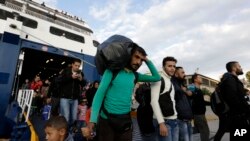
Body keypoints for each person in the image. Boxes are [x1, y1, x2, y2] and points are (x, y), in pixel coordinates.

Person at [85, 45, 161, 141]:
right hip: (107, 120)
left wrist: (147, 61)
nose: (139, 62)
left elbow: (156, 77)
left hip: (125, 120)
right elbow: (99, 95)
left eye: (142, 60)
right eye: (136, 57)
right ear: (128, 55)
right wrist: (93, 120)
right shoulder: (112, 71)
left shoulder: (135, 75)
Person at [215, 61, 250, 140]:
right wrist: (246, 110)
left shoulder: (231, 79)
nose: (241, 68)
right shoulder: (230, 79)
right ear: (234, 68)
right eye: (239, 66)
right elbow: (233, 98)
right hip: (238, 118)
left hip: (238, 117)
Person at [151, 56, 179, 141]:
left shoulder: (169, 80)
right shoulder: (159, 79)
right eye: (169, 66)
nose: (172, 68)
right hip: (164, 122)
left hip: (174, 120)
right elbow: (153, 101)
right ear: (163, 67)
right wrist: (161, 123)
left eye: (174, 66)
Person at [60, 59, 86, 126]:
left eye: (78, 66)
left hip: (75, 99)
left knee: (74, 118)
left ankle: (69, 132)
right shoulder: (66, 71)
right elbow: (60, 81)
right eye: (76, 65)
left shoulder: (80, 73)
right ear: (72, 65)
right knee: (66, 117)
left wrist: (81, 80)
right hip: (65, 98)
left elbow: (84, 84)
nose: (77, 67)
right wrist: (71, 77)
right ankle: (65, 133)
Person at [172, 67, 193, 141]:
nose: (185, 74)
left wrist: (187, 92)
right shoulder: (173, 83)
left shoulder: (182, 84)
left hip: (188, 118)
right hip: (180, 119)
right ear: (176, 74)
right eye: (182, 72)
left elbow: (188, 99)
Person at [188, 73, 209, 141]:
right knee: (205, 131)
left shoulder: (198, 89)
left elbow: (201, 101)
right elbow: (190, 96)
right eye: (199, 77)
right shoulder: (192, 87)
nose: (201, 79)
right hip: (198, 114)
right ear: (195, 79)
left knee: (203, 131)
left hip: (201, 113)